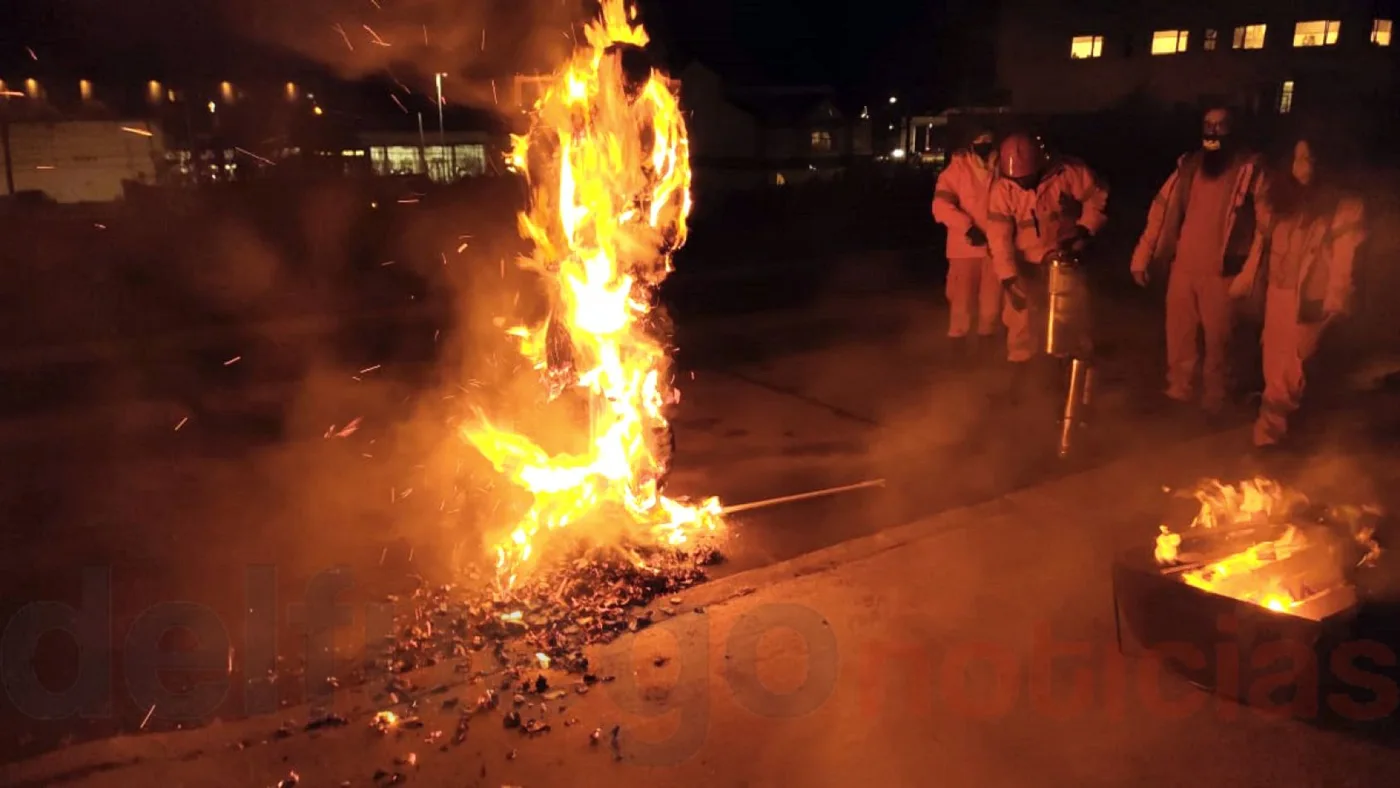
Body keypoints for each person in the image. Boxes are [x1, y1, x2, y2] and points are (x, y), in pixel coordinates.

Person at [1230, 133, 1365, 449]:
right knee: (1272, 369)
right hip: (1277, 296)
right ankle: (1284, 437)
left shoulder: (1343, 207)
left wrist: (1335, 302)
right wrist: (1246, 280)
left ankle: (1268, 441)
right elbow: (1260, 246)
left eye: (1313, 157)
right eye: (1301, 157)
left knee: (1289, 376)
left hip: (1309, 303)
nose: (1307, 164)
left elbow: (1345, 261)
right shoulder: (1279, 200)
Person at [1130, 106, 1264, 415]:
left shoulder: (1250, 170)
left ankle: (1216, 400)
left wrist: (1250, 272)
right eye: (1208, 125)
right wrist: (1143, 255)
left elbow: (1265, 227)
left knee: (1220, 341)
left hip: (1222, 271)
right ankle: (1179, 392)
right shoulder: (1189, 166)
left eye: (1220, 126)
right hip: (1184, 266)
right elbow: (1161, 211)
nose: (1213, 132)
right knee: (1179, 335)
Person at [986, 132, 1108, 370]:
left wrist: (1084, 230)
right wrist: (1009, 279)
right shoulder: (1002, 189)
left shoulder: (1068, 172)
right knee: (1020, 319)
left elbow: (1098, 197)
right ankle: (1022, 371)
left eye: (1027, 177)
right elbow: (998, 238)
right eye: (1016, 179)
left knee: (1072, 315)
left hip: (1067, 258)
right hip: (1026, 263)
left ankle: (1074, 371)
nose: (1022, 184)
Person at [932, 127, 1001, 360]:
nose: (984, 145)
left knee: (991, 305)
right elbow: (940, 207)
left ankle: (986, 355)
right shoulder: (957, 170)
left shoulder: (1002, 168)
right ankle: (958, 356)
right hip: (964, 249)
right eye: (979, 140)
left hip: (995, 248)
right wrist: (967, 226)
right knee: (961, 304)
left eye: (989, 141)